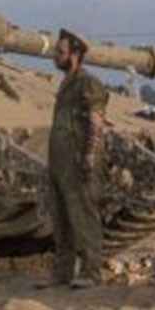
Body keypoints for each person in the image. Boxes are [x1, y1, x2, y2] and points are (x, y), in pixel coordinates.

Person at [44, 27, 109, 289]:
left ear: (75, 54)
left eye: (60, 52)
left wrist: (90, 156)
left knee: (83, 217)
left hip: (79, 162)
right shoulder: (65, 84)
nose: (54, 56)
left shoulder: (87, 82)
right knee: (62, 221)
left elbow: (96, 122)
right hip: (60, 164)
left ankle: (91, 273)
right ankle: (63, 273)